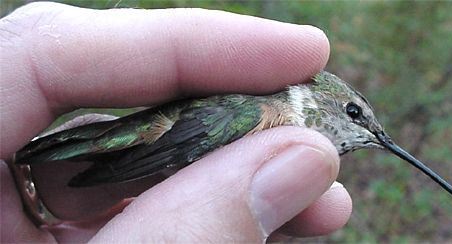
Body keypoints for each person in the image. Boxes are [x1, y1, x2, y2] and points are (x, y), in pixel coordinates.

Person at [0, 2, 352, 242]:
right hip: (168, 135)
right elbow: (182, 139)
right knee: (107, 144)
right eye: (352, 114)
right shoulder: (264, 111)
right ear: (324, 102)